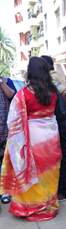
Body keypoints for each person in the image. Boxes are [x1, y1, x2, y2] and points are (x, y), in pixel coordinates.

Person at [0, 57, 61, 222]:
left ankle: (31, 207)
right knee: (49, 171)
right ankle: (48, 205)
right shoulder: (54, 91)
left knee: (32, 171)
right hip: (51, 135)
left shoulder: (24, 94)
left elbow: (13, 119)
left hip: (33, 137)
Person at [41, 55, 66, 201]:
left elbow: (64, 91)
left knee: (61, 156)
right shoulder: (53, 76)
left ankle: (64, 190)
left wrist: (61, 108)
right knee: (61, 155)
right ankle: (63, 188)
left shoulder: (52, 77)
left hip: (61, 121)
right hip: (62, 119)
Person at [0, 76, 17, 204]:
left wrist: (1, 82)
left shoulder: (7, 81)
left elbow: (12, 96)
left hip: (5, 130)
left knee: (6, 162)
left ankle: (6, 191)